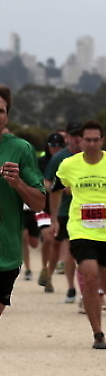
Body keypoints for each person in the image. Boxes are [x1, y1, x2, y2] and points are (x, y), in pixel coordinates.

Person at [55, 120, 106, 349]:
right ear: (80, 141)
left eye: (95, 140)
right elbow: (56, 188)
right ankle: (98, 333)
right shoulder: (69, 165)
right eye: (87, 140)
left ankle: (95, 283)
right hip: (81, 230)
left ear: (102, 141)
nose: (91, 144)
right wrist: (54, 219)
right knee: (90, 276)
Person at [0, 84, 46, 319]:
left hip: (5, 253)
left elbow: (39, 204)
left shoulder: (20, 149)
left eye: (1, 110)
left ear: (7, 116)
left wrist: (18, 183)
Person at [40, 122, 83, 301]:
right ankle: (49, 274)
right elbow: (47, 182)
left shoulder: (90, 158)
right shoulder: (59, 158)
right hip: (64, 210)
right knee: (58, 247)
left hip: (84, 211)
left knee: (72, 248)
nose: (76, 140)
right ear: (68, 138)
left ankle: (72, 288)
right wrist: (60, 188)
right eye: (73, 136)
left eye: (79, 136)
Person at [21, 132, 65, 281]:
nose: (55, 148)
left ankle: (49, 268)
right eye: (53, 145)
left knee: (46, 241)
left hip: (60, 207)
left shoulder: (67, 162)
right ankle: (36, 268)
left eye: (59, 145)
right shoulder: (40, 162)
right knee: (43, 237)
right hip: (41, 206)